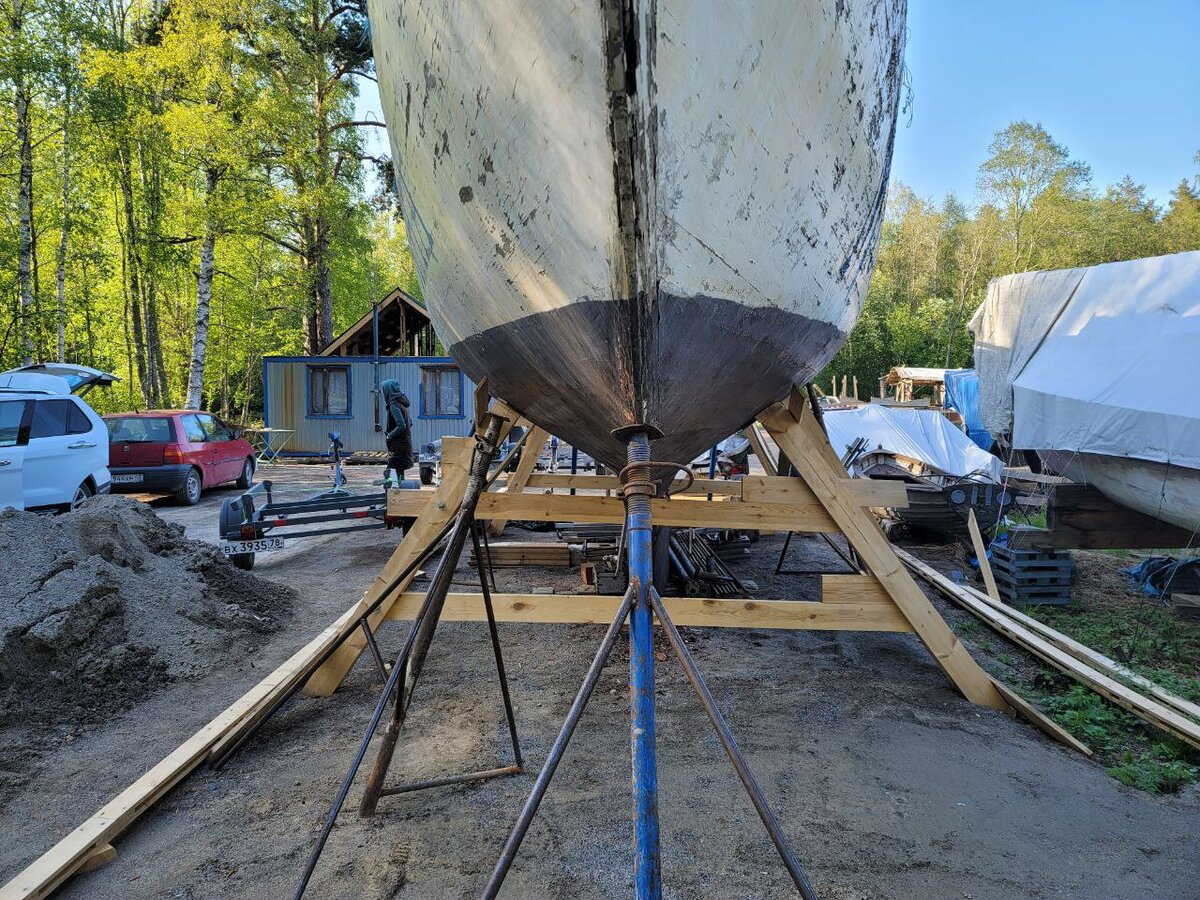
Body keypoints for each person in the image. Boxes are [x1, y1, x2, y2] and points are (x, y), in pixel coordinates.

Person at [380, 379, 413, 482]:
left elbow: (402, 425)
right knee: (399, 471)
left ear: (388, 390)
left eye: (384, 390)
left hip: (398, 446)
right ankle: (399, 489)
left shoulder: (394, 405)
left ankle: (393, 490)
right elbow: (410, 423)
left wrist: (390, 435)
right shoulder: (402, 403)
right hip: (405, 443)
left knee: (390, 473)